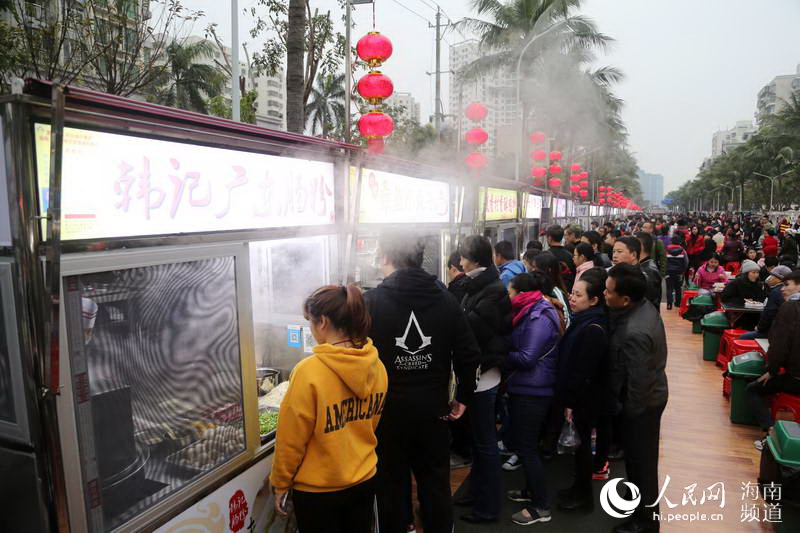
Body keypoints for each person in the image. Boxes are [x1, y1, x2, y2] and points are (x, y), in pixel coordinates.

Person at [364, 236, 481, 533]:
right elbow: (469, 354)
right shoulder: (445, 299)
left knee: (391, 481)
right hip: (433, 410)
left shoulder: (372, 302)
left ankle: (402, 526)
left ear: (386, 257)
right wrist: (463, 396)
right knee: (435, 480)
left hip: (387, 413)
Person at [269, 285, 388, 533]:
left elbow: (291, 440)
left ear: (322, 322)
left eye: (311, 322)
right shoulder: (376, 365)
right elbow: (370, 422)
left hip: (318, 492)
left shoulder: (308, 371)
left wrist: (280, 482)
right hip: (364, 479)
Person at [605, 263, 668, 533]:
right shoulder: (642, 308)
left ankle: (646, 522)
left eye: (609, 291)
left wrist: (628, 414)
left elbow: (638, 383)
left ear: (625, 299)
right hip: (649, 395)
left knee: (642, 465)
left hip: (643, 405)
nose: (605, 294)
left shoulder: (635, 332)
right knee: (639, 462)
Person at [457, 235, 512, 524]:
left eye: (463, 257)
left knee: (485, 444)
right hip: (480, 374)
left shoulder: (491, 290)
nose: (459, 262)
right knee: (479, 441)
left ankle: (488, 507)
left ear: (474, 260)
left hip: (485, 376)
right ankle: (476, 491)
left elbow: (472, 330)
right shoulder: (481, 284)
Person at [505, 272, 561, 526]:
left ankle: (541, 506)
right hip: (527, 386)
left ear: (521, 294)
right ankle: (531, 491)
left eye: (510, 291)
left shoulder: (538, 316)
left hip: (533, 390)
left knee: (527, 447)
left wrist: (501, 352)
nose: (507, 296)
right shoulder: (531, 310)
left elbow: (527, 358)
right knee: (526, 445)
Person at [556, 269, 610, 513]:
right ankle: (577, 489)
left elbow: (583, 370)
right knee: (580, 446)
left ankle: (583, 496)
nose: (572, 298)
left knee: (582, 446)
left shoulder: (593, 328)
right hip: (582, 396)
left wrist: (570, 401)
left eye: (578, 295)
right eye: (572, 293)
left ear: (594, 300)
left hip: (585, 398)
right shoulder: (584, 320)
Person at [746, 271, 800, 449]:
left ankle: (771, 435)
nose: (782, 289)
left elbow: (779, 345)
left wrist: (772, 370)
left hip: (796, 378)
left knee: (753, 389)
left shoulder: (790, 308)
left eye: (787, 284)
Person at [739, 266, 794, 340]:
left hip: (774, 331)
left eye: (772, 276)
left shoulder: (776, 291)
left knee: (743, 337)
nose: (770, 278)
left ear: (779, 279)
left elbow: (769, 313)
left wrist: (759, 327)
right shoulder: (788, 290)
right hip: (786, 330)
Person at [532, 252, 571, 327]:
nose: (532, 270)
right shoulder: (556, 289)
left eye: (535, 267)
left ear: (547, 270)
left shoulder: (553, 293)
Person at [546, 225, 576, 291]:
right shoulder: (570, 255)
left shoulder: (545, 256)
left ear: (549, 238)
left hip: (551, 291)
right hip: (568, 290)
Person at [665, 235, 689, 310]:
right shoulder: (683, 251)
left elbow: (664, 261)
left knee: (669, 288)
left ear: (671, 241)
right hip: (679, 272)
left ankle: (669, 304)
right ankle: (678, 303)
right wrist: (683, 271)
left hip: (668, 272)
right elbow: (686, 262)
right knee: (678, 288)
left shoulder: (666, 250)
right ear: (680, 242)